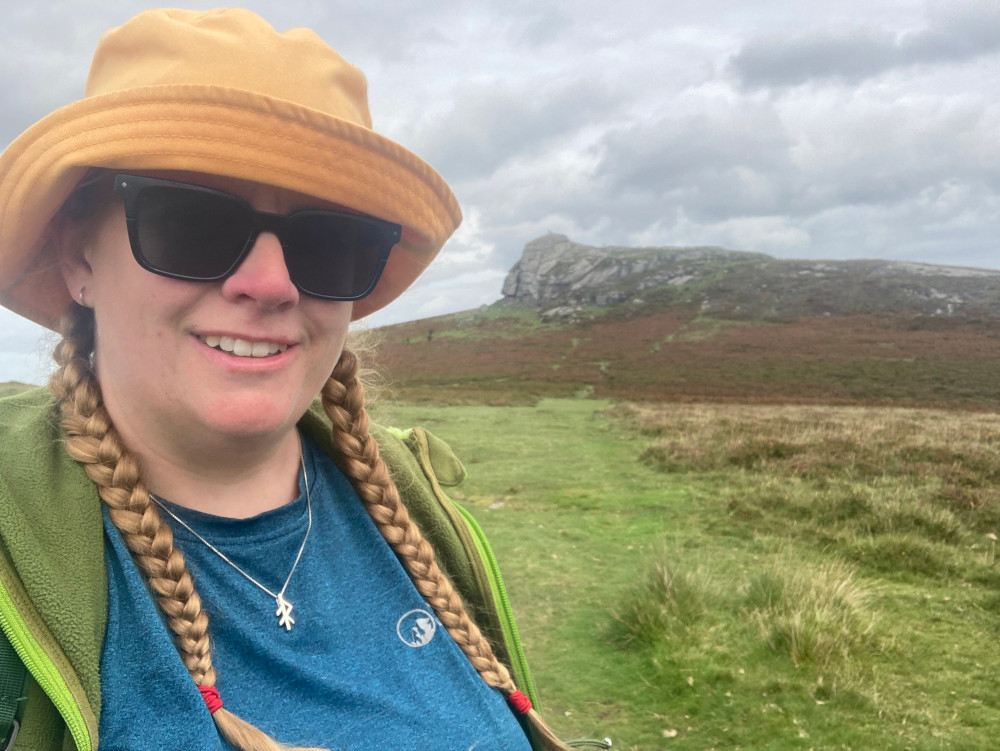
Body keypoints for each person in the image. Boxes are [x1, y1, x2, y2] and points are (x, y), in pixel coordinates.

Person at [0, 8, 571, 751]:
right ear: (78, 258)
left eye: (331, 241)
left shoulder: (414, 504)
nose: (270, 284)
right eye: (189, 221)